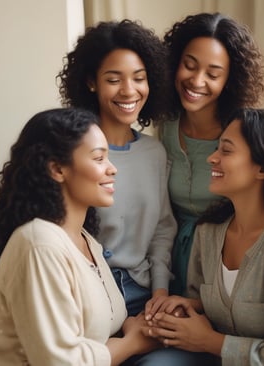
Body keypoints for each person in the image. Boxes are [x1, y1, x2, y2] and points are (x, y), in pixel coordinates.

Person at [146, 108, 264, 364]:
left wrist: (208, 341)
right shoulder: (209, 232)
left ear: (263, 168)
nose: (212, 158)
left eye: (226, 151)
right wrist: (190, 308)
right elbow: (218, 309)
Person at [0, 108, 159, 366]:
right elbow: (61, 362)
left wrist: (143, 325)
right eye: (99, 158)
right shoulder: (38, 244)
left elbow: (94, 328)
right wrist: (131, 343)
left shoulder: (87, 241)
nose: (112, 169)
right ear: (57, 169)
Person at [56, 20, 177, 317]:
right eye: (114, 80)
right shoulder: (68, 152)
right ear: (91, 82)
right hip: (86, 294)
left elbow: (162, 230)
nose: (129, 91)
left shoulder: (155, 153)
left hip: (142, 293)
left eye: (139, 78)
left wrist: (160, 291)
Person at [158, 12, 264, 296]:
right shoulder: (165, 126)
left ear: (230, 80)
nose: (196, 80)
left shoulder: (243, 135)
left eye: (213, 74)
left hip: (225, 258)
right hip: (171, 257)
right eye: (189, 65)